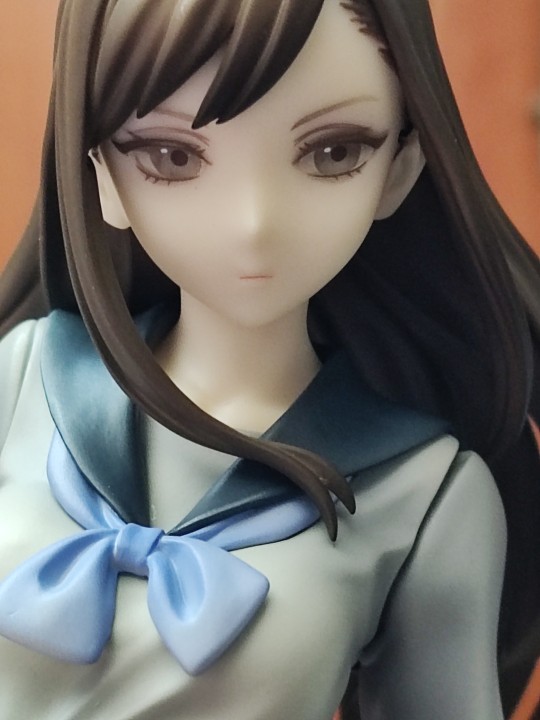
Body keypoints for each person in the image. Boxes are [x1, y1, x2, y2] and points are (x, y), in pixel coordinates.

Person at [0, 0, 538, 717]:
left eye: (333, 153)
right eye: (171, 156)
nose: (253, 224)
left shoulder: (424, 492)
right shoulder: (20, 379)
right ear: (101, 172)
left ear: (399, 169)